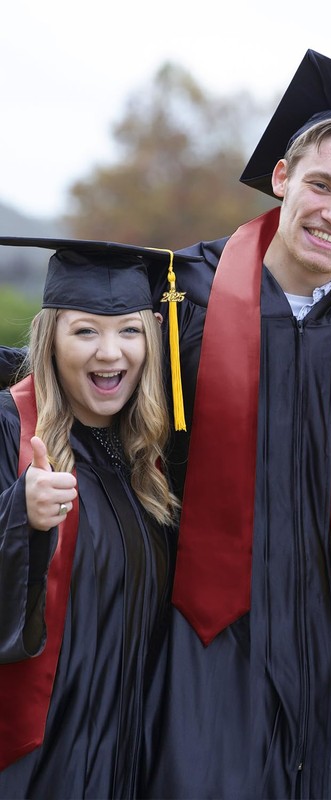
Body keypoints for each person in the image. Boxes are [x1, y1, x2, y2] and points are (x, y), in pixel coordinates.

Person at [142, 49, 331, 800]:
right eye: (321, 184)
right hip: (207, 628)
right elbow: (81, 372)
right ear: (283, 178)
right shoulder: (186, 292)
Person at [0, 238, 191, 798]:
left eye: (129, 331)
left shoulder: (148, 459)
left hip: (125, 750)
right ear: (51, 339)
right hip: (36, 757)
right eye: (86, 331)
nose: (111, 353)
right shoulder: (10, 430)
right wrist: (21, 517)